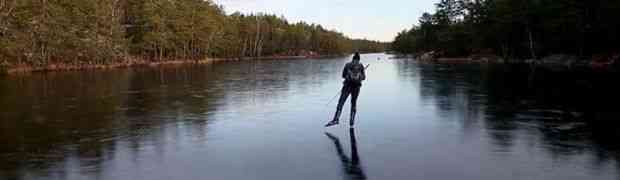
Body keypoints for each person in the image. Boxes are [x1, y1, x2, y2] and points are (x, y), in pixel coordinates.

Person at [325, 52, 366, 127]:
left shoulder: (347, 65)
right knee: (353, 103)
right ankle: (352, 121)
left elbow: (343, 75)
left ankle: (336, 119)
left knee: (341, 102)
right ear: (359, 59)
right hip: (356, 88)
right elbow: (364, 77)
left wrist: (349, 77)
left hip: (347, 86)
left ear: (353, 58)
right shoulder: (361, 66)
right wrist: (359, 77)